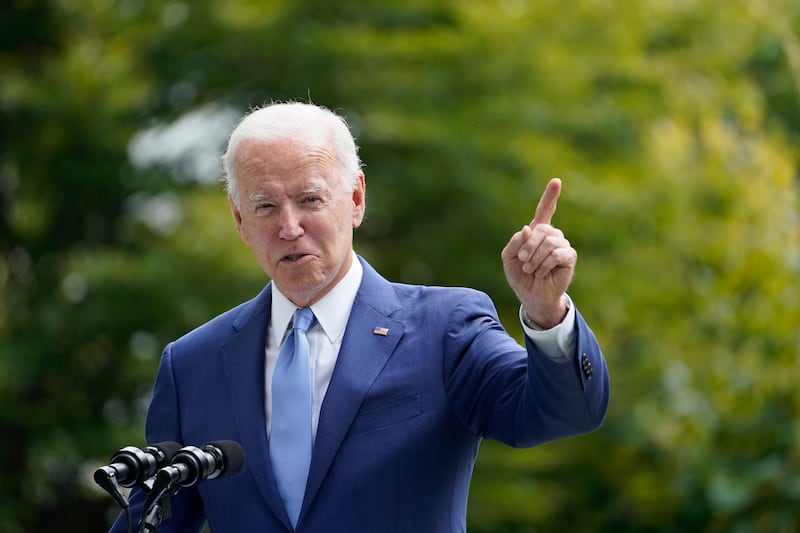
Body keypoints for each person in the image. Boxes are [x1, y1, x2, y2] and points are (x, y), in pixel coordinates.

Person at [109, 101, 609, 532]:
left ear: (355, 199)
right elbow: (155, 517)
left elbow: (561, 413)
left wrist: (546, 312)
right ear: (240, 220)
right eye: (264, 206)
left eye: (310, 200)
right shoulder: (194, 363)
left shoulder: (444, 327)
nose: (289, 227)